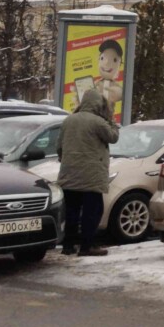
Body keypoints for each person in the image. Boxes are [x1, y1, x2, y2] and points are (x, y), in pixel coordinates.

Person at [57, 88, 119, 257]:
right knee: (93, 212)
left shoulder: (68, 120)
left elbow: (59, 146)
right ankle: (87, 246)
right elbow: (113, 137)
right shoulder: (98, 122)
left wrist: (66, 160)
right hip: (91, 177)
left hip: (69, 175)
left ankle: (68, 245)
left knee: (71, 211)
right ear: (98, 104)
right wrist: (111, 119)